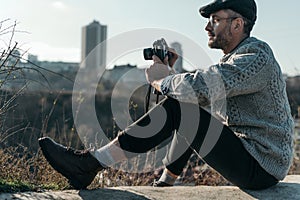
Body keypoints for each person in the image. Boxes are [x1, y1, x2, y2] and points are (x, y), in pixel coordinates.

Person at [39, 0, 294, 190]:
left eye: (215, 19)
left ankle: (90, 164)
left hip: (261, 165)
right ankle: (167, 180)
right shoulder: (237, 60)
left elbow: (202, 87)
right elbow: (199, 93)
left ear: (237, 24)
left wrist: (161, 79)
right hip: (252, 159)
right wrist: (171, 75)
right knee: (186, 106)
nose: (207, 26)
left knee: (184, 109)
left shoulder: (255, 56)